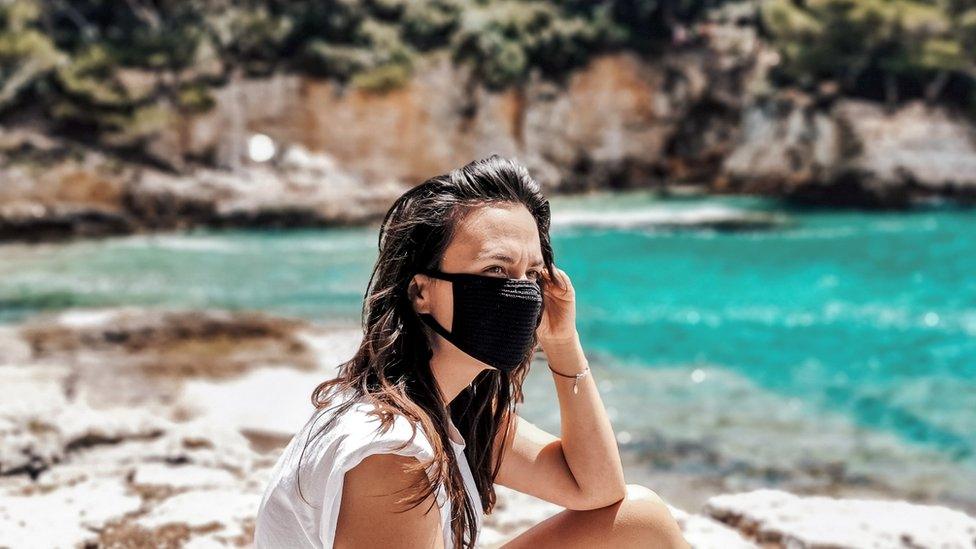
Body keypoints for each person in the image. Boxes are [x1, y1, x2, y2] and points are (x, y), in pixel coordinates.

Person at [254, 155, 689, 548]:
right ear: (420, 291)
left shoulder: (446, 400)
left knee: (640, 517)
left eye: (532, 273)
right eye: (495, 269)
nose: (520, 290)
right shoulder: (392, 450)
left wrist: (563, 345)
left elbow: (595, 488)